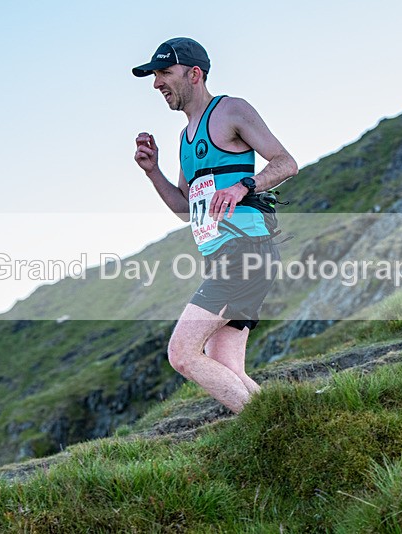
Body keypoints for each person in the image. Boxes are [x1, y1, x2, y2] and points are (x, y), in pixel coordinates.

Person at [132, 37, 298, 414]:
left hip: (244, 252)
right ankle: (287, 422)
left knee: (182, 354)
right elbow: (185, 209)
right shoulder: (185, 138)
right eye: (155, 75)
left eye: (163, 73)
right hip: (226, 256)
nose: (157, 83)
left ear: (194, 74)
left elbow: (286, 162)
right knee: (223, 364)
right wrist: (152, 171)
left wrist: (244, 186)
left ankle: (278, 430)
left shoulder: (230, 111)